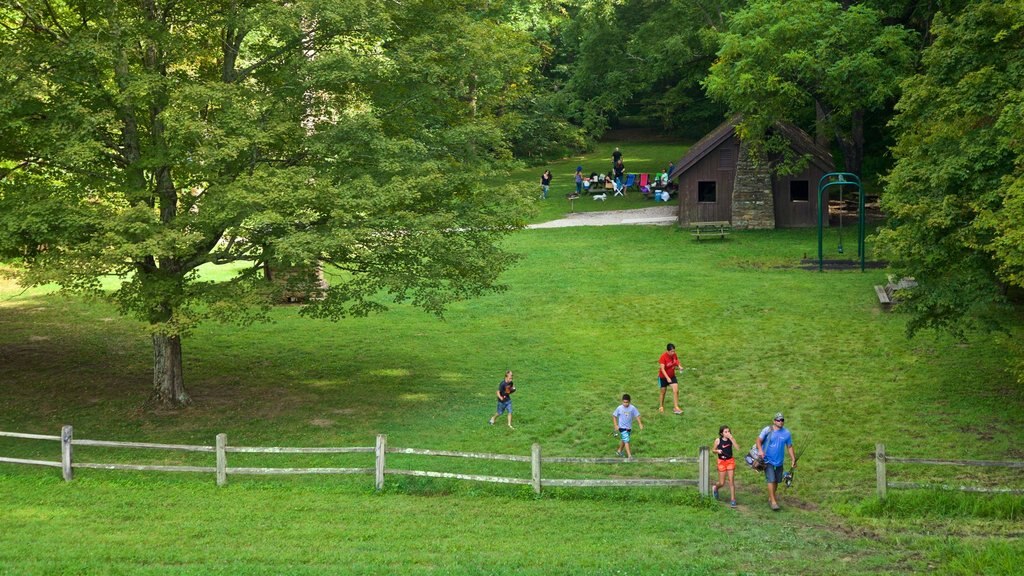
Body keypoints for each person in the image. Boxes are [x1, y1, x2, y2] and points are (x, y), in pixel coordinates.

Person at [756, 412, 796, 511]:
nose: (780, 422)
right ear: (774, 421)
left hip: (779, 462)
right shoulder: (767, 430)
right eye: (778, 420)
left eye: (782, 420)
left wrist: (793, 459)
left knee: (777, 481)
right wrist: (760, 450)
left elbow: (789, 446)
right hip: (767, 460)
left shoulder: (787, 433)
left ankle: (771, 496)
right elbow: (758, 440)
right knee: (771, 479)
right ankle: (773, 502)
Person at [712, 425, 738, 508]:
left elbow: (738, 448)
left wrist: (732, 439)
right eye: (726, 432)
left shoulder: (731, 440)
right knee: (722, 483)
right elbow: (713, 450)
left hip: (730, 461)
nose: (728, 433)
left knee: (731, 481)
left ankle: (733, 500)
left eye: (728, 431)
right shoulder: (718, 440)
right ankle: (715, 488)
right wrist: (717, 451)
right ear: (721, 433)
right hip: (721, 462)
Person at [612, 393, 643, 458]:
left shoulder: (632, 408)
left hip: (629, 428)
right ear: (622, 401)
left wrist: (640, 423)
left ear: (630, 401)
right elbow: (614, 416)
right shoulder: (619, 408)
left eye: (627, 402)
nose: (625, 404)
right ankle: (629, 456)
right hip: (622, 428)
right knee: (627, 440)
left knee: (624, 439)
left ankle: (619, 451)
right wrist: (615, 425)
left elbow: (637, 416)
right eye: (624, 402)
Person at [657, 343, 683, 414]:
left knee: (676, 390)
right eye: (671, 351)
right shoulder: (663, 357)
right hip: (663, 377)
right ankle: (661, 406)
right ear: (667, 351)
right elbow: (662, 369)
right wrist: (667, 378)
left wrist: (679, 366)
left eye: (674, 351)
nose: (673, 353)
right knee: (663, 391)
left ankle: (676, 407)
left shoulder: (674, 355)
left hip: (672, 376)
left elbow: (676, 361)